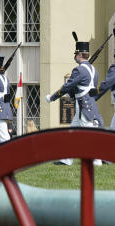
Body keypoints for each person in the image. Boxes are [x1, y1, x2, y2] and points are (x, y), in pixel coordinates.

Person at [46, 34, 104, 165]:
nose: (74, 56)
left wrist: (52, 97)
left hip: (83, 105)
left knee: (87, 136)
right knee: (71, 133)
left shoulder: (78, 70)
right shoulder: (94, 70)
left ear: (79, 55)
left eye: (75, 54)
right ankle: (66, 160)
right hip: (87, 103)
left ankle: (96, 161)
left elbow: (68, 86)